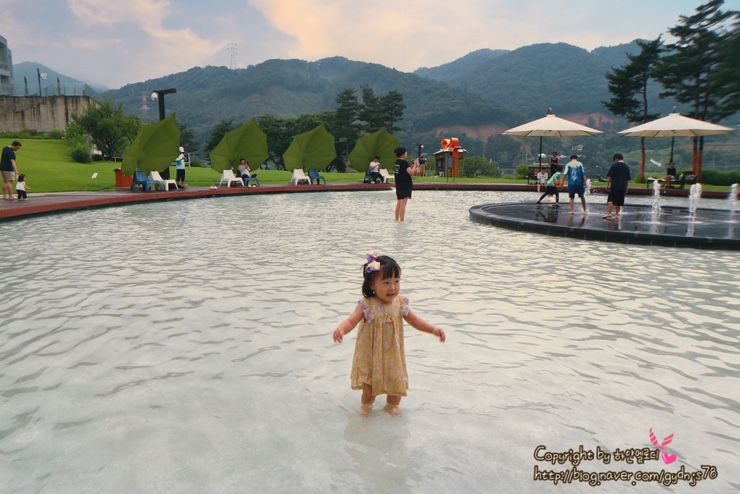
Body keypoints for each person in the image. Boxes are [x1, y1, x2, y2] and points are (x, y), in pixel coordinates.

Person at [332, 252, 446, 416]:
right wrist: (341, 330)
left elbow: (416, 321)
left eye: (396, 281)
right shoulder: (366, 305)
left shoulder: (400, 303)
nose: (392, 287)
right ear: (372, 285)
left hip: (393, 355)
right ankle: (365, 408)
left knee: (396, 384)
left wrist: (433, 329)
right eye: (386, 282)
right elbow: (351, 321)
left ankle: (392, 407)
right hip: (371, 355)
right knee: (369, 387)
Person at [393, 147, 419, 222]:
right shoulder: (404, 162)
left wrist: (412, 166)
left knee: (399, 203)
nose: (407, 153)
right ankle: (402, 221)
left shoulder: (397, 162)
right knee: (403, 204)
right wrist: (415, 165)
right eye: (406, 152)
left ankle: (396, 220)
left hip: (399, 185)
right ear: (403, 154)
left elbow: (404, 171)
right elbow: (411, 172)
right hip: (405, 185)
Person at [604, 153, 631, 220]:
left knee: (611, 200)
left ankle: (609, 214)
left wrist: (607, 185)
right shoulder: (626, 167)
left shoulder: (614, 166)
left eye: (614, 160)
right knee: (619, 202)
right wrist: (627, 188)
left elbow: (609, 177)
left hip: (615, 186)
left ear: (616, 158)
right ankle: (617, 215)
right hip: (623, 187)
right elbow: (628, 179)